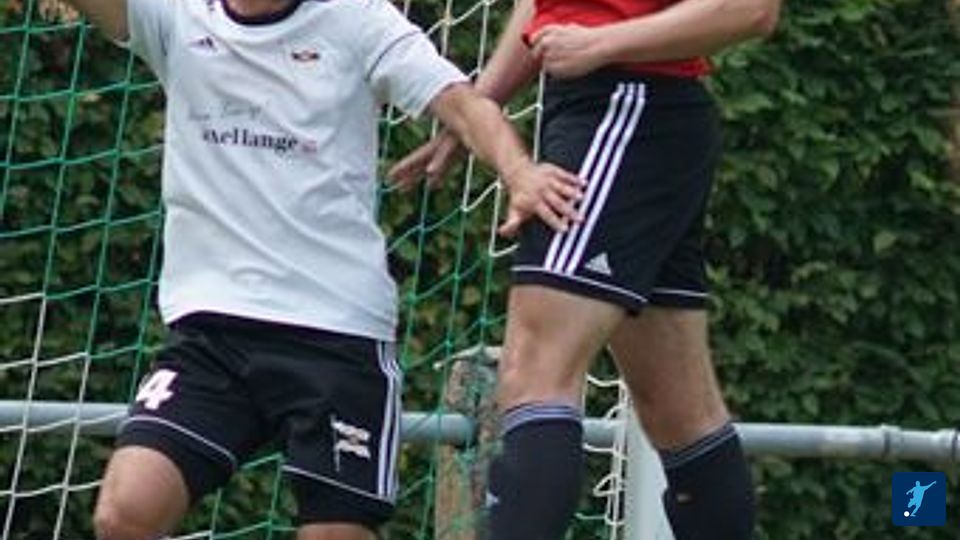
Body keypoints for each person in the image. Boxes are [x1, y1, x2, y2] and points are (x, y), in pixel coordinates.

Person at [56, 0, 584, 537]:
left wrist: (520, 173)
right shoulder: (175, 15)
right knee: (125, 513)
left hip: (337, 338)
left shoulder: (358, 18)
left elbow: (464, 105)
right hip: (211, 338)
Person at [389, 0, 781, 538]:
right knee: (679, 410)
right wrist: (479, 108)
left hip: (625, 111)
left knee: (535, 372)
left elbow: (752, 9)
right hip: (629, 117)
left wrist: (602, 43)